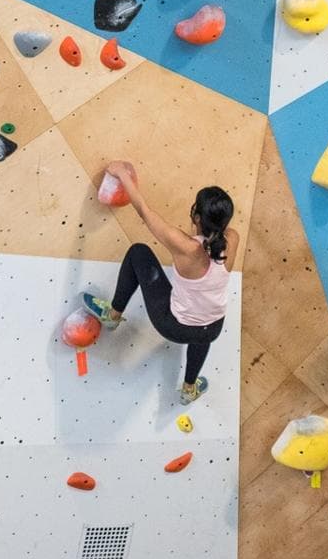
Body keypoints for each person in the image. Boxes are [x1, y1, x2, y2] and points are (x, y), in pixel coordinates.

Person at [83, 160, 236, 404]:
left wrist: (122, 174)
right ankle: (188, 389)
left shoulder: (186, 247)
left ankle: (112, 316)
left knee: (138, 252)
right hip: (213, 327)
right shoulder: (232, 239)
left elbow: (144, 212)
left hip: (173, 326)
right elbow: (218, 239)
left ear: (196, 216)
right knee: (202, 331)